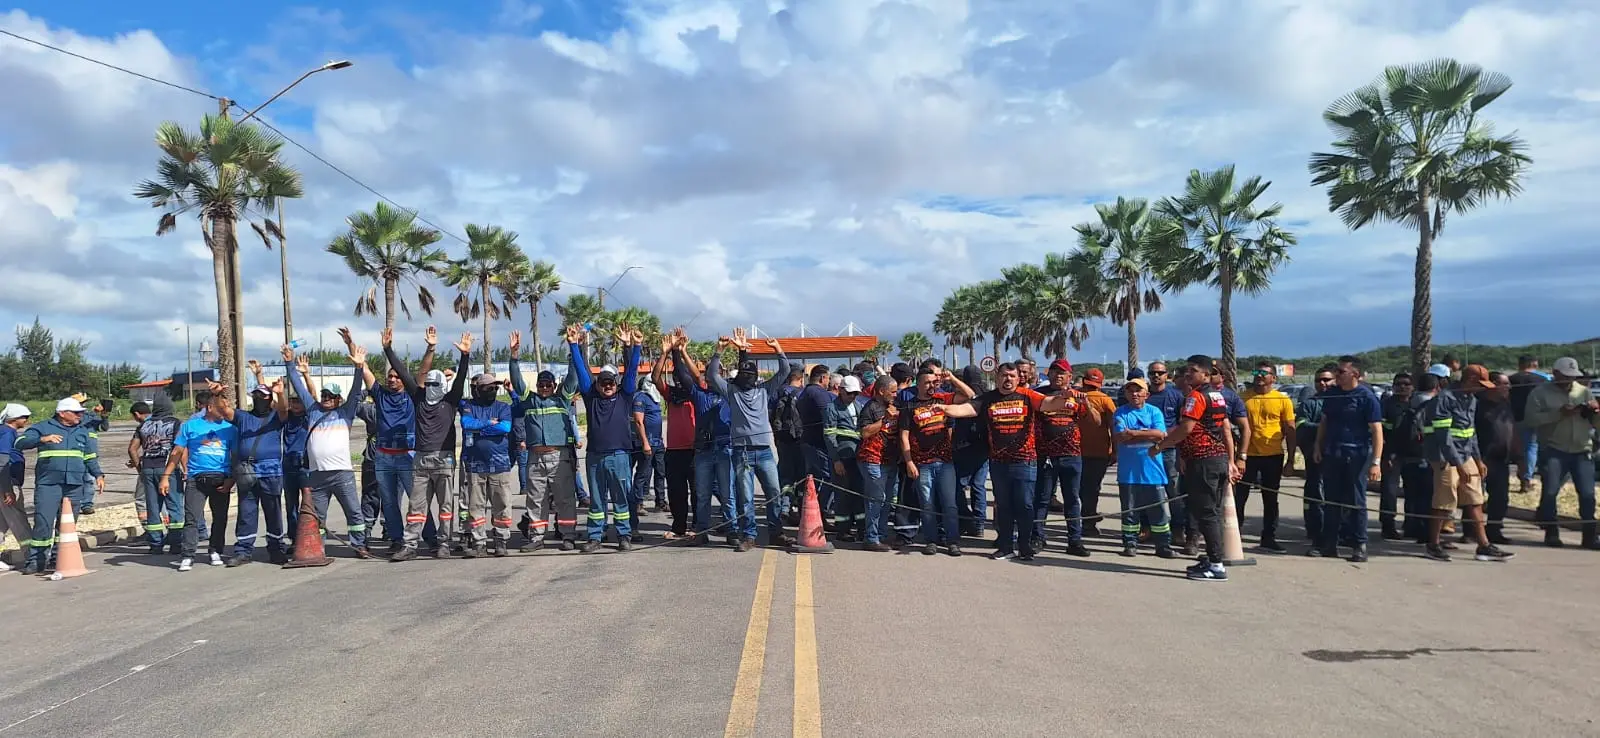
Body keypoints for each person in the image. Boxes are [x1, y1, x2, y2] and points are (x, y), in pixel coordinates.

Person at [941, 362, 1081, 562]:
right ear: (997, 377)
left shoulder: (1027, 395)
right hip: (998, 462)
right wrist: (943, 408)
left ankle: (1025, 547)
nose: (1008, 379)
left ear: (1018, 378)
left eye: (1012, 376)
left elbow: (1049, 403)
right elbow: (967, 409)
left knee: (1025, 504)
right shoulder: (988, 398)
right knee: (1003, 505)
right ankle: (1005, 545)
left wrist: (1066, 398)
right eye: (1004, 376)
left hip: (1025, 461)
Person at [1149, 355, 1239, 581]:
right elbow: (1224, 428)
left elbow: (1185, 428)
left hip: (1204, 461)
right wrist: (1229, 460)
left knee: (1206, 512)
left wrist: (1161, 445)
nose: (1187, 374)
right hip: (1215, 458)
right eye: (1187, 370)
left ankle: (1216, 564)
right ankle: (1212, 556)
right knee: (1212, 512)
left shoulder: (1196, 397)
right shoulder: (1217, 396)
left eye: (1193, 370)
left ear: (1206, 375)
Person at [705, 328, 791, 550]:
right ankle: (749, 536)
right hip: (741, 451)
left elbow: (785, 371)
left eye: (750, 376)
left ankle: (776, 532)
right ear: (738, 377)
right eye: (744, 375)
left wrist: (777, 349)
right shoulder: (731, 392)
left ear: (755, 378)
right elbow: (712, 376)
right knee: (746, 497)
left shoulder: (764, 390)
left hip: (764, 451)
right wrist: (719, 351)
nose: (747, 379)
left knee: (774, 493)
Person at [284, 340, 372, 559]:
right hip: (317, 476)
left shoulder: (346, 412)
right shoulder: (312, 411)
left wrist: (359, 368)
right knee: (318, 517)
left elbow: (354, 391)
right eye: (323, 395)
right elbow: (299, 386)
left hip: (342, 474)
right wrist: (289, 363)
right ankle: (317, 547)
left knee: (354, 512)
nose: (326, 399)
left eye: (330, 396)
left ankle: (359, 545)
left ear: (338, 399)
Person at [390, 329, 471, 562]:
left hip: (444, 459)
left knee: (445, 506)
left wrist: (465, 356)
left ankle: (444, 543)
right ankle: (410, 545)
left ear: (444, 384)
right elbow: (404, 373)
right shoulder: (418, 397)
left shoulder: (450, 400)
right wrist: (388, 350)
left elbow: (462, 377)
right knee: (416, 506)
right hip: (421, 459)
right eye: (430, 382)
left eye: (438, 383)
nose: (433, 386)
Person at [1424, 364, 1513, 562]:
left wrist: (1478, 459)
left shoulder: (1471, 399)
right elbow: (1443, 436)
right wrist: (1458, 464)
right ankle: (1433, 544)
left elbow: (1470, 433)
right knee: (1444, 501)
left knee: (1475, 499)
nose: (1483, 389)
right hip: (1444, 456)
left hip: (1466, 455)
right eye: (1481, 384)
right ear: (1470, 380)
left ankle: (1484, 545)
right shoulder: (1443, 400)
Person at [568, 323, 644, 552]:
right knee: (597, 501)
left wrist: (634, 346)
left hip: (619, 456)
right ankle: (595, 536)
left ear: (616, 383)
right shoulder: (591, 397)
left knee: (621, 499)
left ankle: (623, 535)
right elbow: (582, 372)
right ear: (598, 384)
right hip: (595, 457)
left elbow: (631, 372)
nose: (608, 386)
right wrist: (574, 345)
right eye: (603, 382)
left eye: (611, 382)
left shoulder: (625, 395)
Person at [505, 330, 582, 552]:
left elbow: (573, 377)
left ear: (554, 385)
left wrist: (573, 349)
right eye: (541, 384)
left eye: (548, 384)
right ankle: (537, 537)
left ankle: (568, 535)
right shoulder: (529, 401)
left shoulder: (563, 399)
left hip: (560, 457)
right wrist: (514, 356)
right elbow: (517, 382)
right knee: (535, 500)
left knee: (565, 499)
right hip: (535, 458)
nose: (545, 388)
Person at [15, 397, 104, 574]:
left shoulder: (82, 431)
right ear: (62, 413)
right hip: (49, 484)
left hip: (74, 484)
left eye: (81, 413)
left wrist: (98, 475)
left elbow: (89, 457)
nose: (81, 415)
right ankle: (36, 560)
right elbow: (19, 443)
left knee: (67, 524)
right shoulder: (43, 427)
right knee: (43, 522)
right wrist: (42, 439)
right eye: (77, 413)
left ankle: (59, 557)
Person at [1311, 355, 1383, 563]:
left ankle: (1359, 544)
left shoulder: (1366, 397)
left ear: (1355, 375)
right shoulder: (1332, 395)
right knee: (1331, 500)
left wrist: (1376, 462)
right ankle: (1329, 543)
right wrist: (1318, 446)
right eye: (1337, 372)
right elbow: (1324, 422)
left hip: (1357, 455)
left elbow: (1377, 431)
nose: (1337, 376)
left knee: (1356, 501)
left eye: (1341, 372)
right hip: (1333, 453)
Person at [1523, 356, 1600, 548]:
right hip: (1553, 449)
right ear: (1555, 374)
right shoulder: (1539, 393)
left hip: (1582, 450)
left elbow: (1595, 424)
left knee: (1587, 494)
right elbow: (1531, 420)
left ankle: (1590, 536)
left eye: (1573, 376)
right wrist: (1559, 413)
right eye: (1566, 376)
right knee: (1550, 492)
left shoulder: (1583, 391)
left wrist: (1595, 412)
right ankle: (1551, 533)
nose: (1569, 380)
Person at [900, 365, 975, 556]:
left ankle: (952, 541)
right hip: (922, 463)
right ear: (918, 384)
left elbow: (969, 395)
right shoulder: (910, 407)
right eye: (927, 383)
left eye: (934, 382)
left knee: (950, 503)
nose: (931, 386)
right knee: (927, 504)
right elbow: (904, 436)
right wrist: (909, 461)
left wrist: (951, 379)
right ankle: (930, 540)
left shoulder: (943, 399)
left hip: (945, 462)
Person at [668, 331, 734, 546]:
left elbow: (707, 375)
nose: (710, 378)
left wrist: (737, 351)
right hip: (703, 452)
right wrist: (679, 352)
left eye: (716, 375)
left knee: (727, 494)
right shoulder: (700, 395)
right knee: (702, 495)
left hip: (724, 450)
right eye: (708, 376)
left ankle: (732, 530)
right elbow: (687, 375)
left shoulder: (729, 394)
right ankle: (702, 532)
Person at [161, 389, 239, 571]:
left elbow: (235, 456)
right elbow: (177, 452)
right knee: (192, 518)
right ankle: (188, 555)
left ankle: (215, 550)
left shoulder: (230, 429)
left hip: (221, 478)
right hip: (196, 479)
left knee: (220, 518)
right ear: (210, 407)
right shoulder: (191, 426)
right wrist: (165, 477)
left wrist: (231, 479)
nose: (225, 410)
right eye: (222, 406)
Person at [1034, 359, 1096, 557]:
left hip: (1072, 455)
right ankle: (1037, 537)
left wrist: (1085, 401)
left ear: (1070, 377)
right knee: (1042, 499)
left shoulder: (1078, 396)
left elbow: (1096, 420)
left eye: (1063, 373)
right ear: (1048, 374)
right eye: (1054, 372)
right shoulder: (1039, 395)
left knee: (1072, 500)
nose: (1058, 376)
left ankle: (1075, 541)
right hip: (1046, 456)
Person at [1112, 379, 1175, 558]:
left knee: (1158, 512)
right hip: (1128, 473)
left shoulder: (1154, 412)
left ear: (1146, 394)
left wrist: (1134, 433)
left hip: (1153, 472)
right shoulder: (1120, 413)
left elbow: (1160, 435)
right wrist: (1147, 434)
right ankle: (1130, 543)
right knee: (1129, 512)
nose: (1134, 394)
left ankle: (1163, 545)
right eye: (1130, 391)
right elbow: (1120, 436)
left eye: (1138, 391)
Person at [1237, 365, 1296, 552]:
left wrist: (1291, 460)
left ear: (1274, 378)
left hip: (1273, 455)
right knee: (1240, 497)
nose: (1259, 376)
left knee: (1270, 499)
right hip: (1247, 456)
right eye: (1256, 372)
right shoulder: (1243, 397)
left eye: (1264, 373)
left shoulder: (1282, 400)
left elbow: (1290, 430)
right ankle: (1234, 535)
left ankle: (1269, 537)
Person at [128, 393, 185, 554]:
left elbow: (132, 449)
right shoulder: (175, 424)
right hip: (168, 469)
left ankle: (155, 544)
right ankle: (175, 544)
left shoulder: (143, 426)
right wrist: (185, 469)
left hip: (148, 468)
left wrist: (140, 469)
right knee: (174, 506)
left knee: (153, 507)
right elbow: (179, 449)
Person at [655, 338, 698, 539]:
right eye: (676, 378)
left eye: (682, 378)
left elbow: (696, 375)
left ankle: (698, 526)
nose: (679, 381)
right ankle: (679, 526)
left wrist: (680, 352)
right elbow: (656, 379)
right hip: (674, 451)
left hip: (695, 450)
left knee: (699, 492)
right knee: (676, 493)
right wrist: (666, 352)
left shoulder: (697, 392)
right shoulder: (671, 394)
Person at [1146, 361, 1190, 553]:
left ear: (1167, 375)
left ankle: (1178, 529)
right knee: (1146, 490)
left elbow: (1183, 424)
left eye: (1160, 373)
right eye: (1153, 373)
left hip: (1169, 450)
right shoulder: (1143, 394)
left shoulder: (1176, 395)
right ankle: (1147, 527)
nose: (1156, 376)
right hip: (1146, 449)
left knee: (1173, 490)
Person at [854, 376, 901, 552]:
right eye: (893, 391)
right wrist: (883, 421)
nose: (896, 395)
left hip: (890, 460)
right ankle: (871, 537)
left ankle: (880, 534)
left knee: (886, 501)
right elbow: (864, 432)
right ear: (882, 391)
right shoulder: (870, 408)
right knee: (875, 500)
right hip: (872, 459)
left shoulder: (893, 407)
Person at [822, 374, 866, 540]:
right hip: (841, 457)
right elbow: (829, 436)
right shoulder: (831, 409)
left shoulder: (859, 406)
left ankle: (861, 527)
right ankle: (843, 529)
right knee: (843, 495)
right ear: (840, 390)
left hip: (857, 457)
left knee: (859, 493)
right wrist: (836, 461)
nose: (853, 396)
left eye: (855, 393)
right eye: (850, 393)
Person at [1294, 366, 1334, 549]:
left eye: (1327, 379)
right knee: (1314, 494)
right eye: (1319, 380)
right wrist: (1324, 428)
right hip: (1315, 456)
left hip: (1338, 456)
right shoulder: (1309, 404)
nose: (1322, 383)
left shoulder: (1342, 401)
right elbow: (1301, 425)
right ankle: (1314, 528)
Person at [1476, 371, 1517, 545]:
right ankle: (1471, 531)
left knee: (1500, 498)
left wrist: (1519, 456)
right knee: (1475, 498)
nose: (1509, 387)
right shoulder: (1478, 405)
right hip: (1482, 458)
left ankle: (1494, 530)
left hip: (1501, 460)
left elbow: (1513, 429)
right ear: (1492, 384)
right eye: (1504, 383)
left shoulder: (1505, 404)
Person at [1078, 368, 1118, 538]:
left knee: (1084, 489)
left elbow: (1113, 426)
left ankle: (1088, 519)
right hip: (1090, 452)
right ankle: (1088, 519)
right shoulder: (1105, 399)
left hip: (1093, 452)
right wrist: (1115, 451)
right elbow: (1114, 428)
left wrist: (1115, 451)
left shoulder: (1078, 397)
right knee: (1090, 489)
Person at [952, 365, 990, 537]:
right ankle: (979, 523)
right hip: (983, 447)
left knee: (959, 485)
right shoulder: (988, 393)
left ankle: (966, 519)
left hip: (965, 445)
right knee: (978, 486)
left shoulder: (964, 394)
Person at [1375, 372, 1415, 541]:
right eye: (1398, 384)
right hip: (1391, 455)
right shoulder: (1385, 405)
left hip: (1413, 454)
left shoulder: (1416, 404)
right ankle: (1388, 525)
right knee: (1390, 492)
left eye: (1406, 384)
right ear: (1393, 387)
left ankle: (1411, 525)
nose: (1402, 387)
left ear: (1412, 387)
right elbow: (1381, 432)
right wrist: (1384, 455)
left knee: (1413, 492)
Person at [0, 404, 33, 572]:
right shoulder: (6, 433)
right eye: (24, 417)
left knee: (2, 523)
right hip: (8, 483)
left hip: (6, 483)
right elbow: (3, 462)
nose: (27, 420)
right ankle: (32, 556)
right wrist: (7, 489)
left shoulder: (5, 432)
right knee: (18, 520)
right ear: (14, 419)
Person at [1508, 355, 1547, 493]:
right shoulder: (1542, 380)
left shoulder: (1511, 379)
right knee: (1532, 448)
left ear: (1520, 364)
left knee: (1517, 449)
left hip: (1514, 418)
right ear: (1534, 364)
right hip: (1536, 418)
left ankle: (1518, 477)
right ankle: (1527, 479)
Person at [631, 375, 666, 523]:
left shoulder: (655, 397)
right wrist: (645, 442)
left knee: (661, 472)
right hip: (647, 442)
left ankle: (661, 501)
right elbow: (639, 421)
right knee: (643, 473)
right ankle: (638, 503)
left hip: (658, 441)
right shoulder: (640, 397)